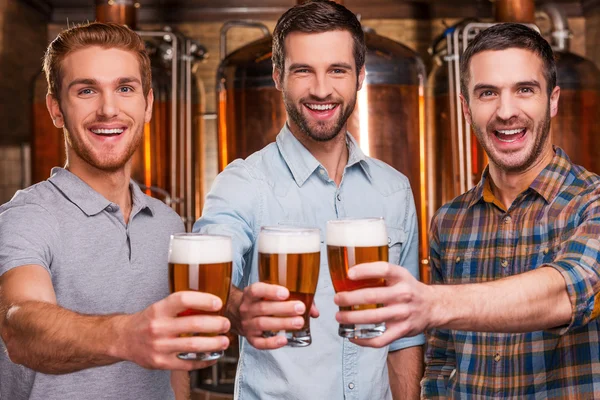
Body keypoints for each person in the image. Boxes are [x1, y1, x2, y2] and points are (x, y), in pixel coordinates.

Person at [333, 22, 600, 398]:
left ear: (552, 100)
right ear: (465, 106)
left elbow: (568, 293)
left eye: (525, 90)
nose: (507, 111)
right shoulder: (450, 221)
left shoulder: (592, 203)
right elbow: (442, 361)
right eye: (487, 93)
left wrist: (431, 303)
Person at [194, 1, 424, 399]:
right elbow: (206, 283)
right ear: (278, 77)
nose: (321, 89)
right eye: (303, 71)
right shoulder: (243, 183)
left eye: (338, 70)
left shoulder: (394, 190)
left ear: (361, 77)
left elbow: (403, 338)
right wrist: (237, 306)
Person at [0, 22, 230, 400]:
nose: (108, 109)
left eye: (125, 89)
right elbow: (21, 328)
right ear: (56, 109)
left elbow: (173, 365)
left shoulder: (168, 223)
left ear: (148, 105)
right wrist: (127, 336)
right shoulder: (26, 216)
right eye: (87, 90)